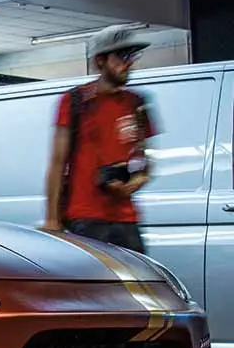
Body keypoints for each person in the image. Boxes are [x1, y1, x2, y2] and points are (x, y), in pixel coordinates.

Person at [42, 25, 156, 253]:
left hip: (126, 219)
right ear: (100, 61)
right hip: (85, 218)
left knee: (136, 284)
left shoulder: (136, 103)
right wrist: (52, 219)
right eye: (122, 56)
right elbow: (57, 162)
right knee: (91, 287)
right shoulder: (74, 102)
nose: (129, 63)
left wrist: (138, 180)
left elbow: (145, 160)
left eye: (132, 55)